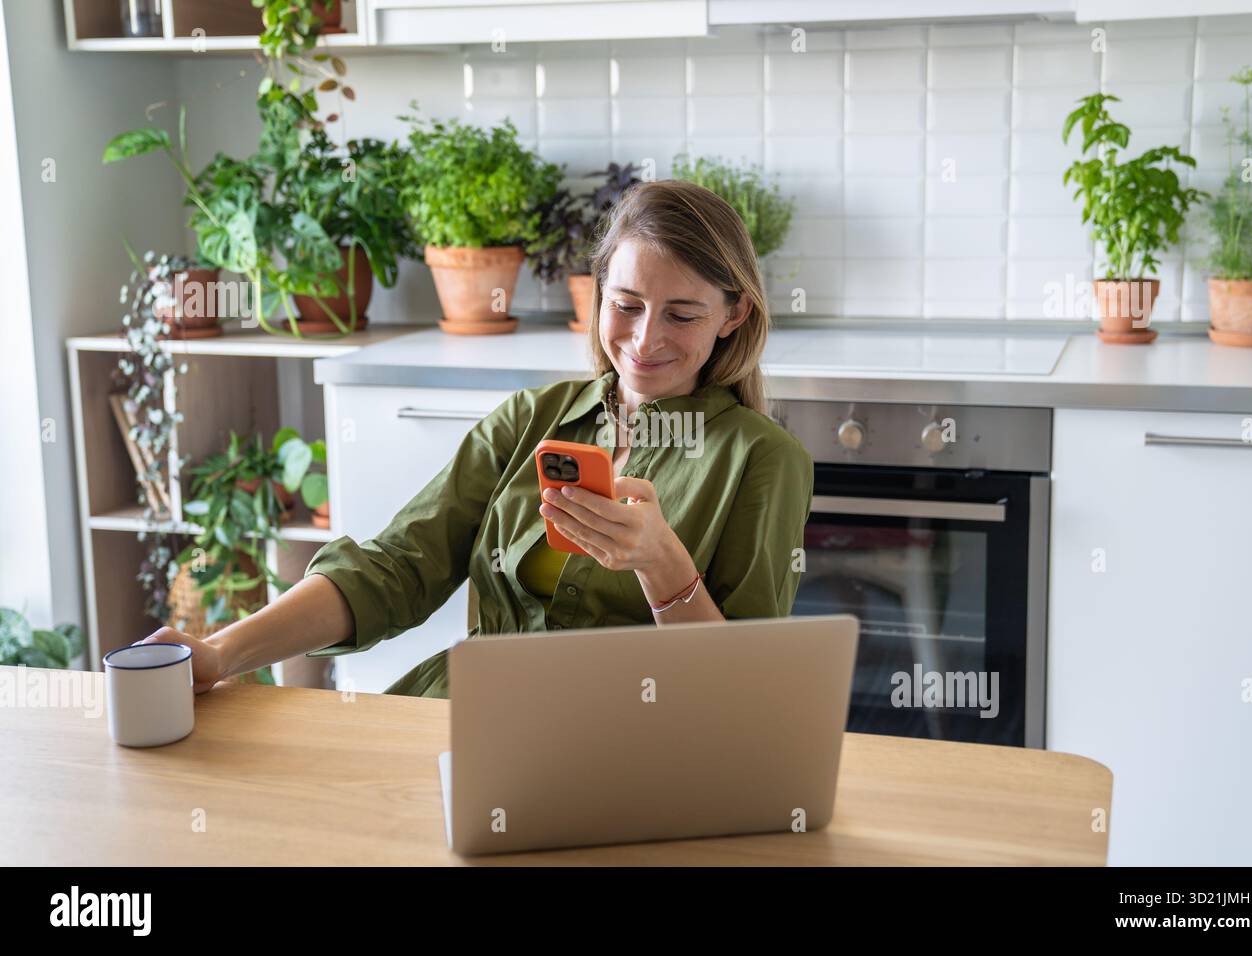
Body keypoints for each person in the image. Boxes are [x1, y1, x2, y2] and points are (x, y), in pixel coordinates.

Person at [136, 179, 814, 698]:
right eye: (626, 305)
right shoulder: (527, 421)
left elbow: (743, 692)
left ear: (734, 314)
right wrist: (220, 653)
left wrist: (665, 566)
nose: (644, 339)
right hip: (469, 710)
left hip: (631, 750)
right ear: (599, 294)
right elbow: (394, 569)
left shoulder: (761, 460)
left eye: (683, 314)